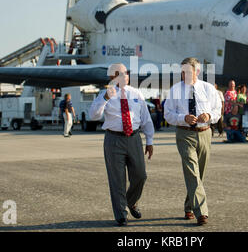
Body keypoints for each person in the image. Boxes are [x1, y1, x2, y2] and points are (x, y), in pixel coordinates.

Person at [89, 63, 154, 226]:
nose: (126, 76)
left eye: (126, 73)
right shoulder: (104, 94)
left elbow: (146, 118)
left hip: (134, 138)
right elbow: (93, 116)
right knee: (117, 179)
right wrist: (105, 99)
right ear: (113, 76)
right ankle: (121, 214)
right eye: (122, 73)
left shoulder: (136, 93)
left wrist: (150, 140)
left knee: (140, 175)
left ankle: (131, 201)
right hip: (114, 140)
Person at [164, 57, 221, 226]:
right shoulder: (175, 90)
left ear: (196, 72)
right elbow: (168, 115)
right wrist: (183, 118)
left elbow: (218, 111)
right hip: (185, 134)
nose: (184, 74)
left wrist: (209, 116)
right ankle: (201, 212)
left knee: (199, 174)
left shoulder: (208, 89)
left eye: (188, 71)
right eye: (182, 71)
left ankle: (189, 205)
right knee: (192, 171)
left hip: (205, 133)